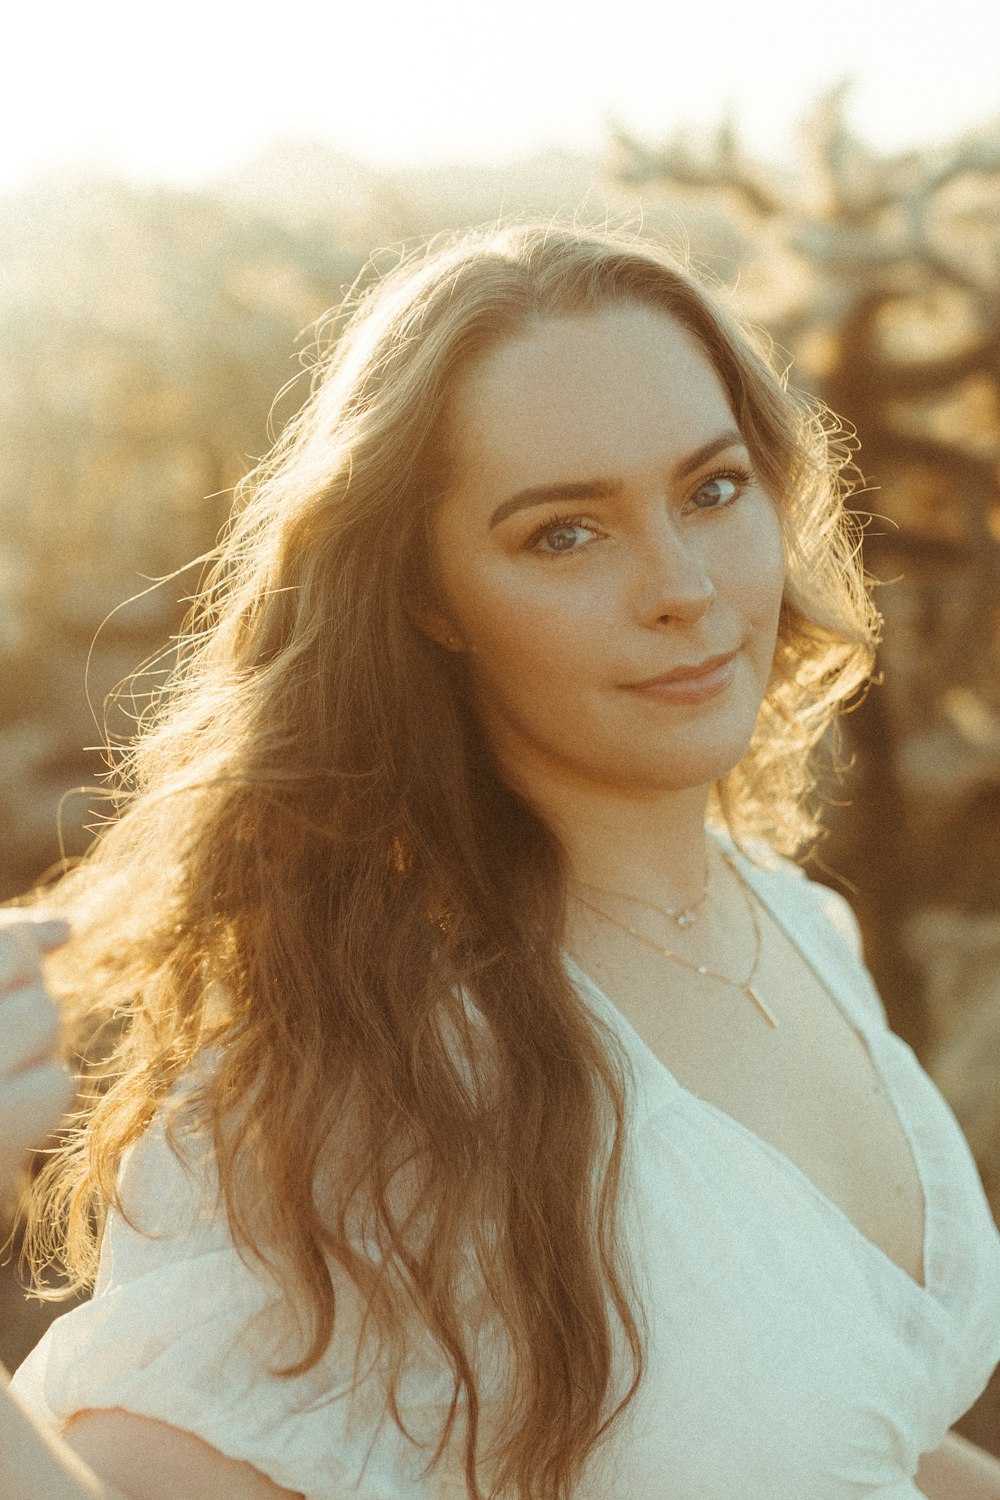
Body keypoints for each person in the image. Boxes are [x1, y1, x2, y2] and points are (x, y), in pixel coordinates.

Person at [2, 219, 1000, 1500]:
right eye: (564, 535)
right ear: (429, 598)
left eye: (711, 488)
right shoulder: (397, 1061)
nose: (684, 585)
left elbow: (867, 1426)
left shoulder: (796, 924)